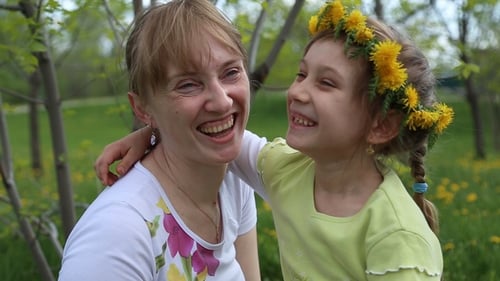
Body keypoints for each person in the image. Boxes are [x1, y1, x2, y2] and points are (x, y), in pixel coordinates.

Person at [96, 1, 454, 280]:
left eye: (326, 83)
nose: (298, 91)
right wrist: (152, 128)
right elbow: (218, 133)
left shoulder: (398, 237)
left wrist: (154, 126)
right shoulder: (290, 171)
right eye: (301, 73)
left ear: (381, 125)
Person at [58, 1, 262, 280]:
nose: (222, 101)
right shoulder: (117, 237)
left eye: (230, 72)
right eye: (188, 84)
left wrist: (157, 132)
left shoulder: (233, 177)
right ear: (142, 108)